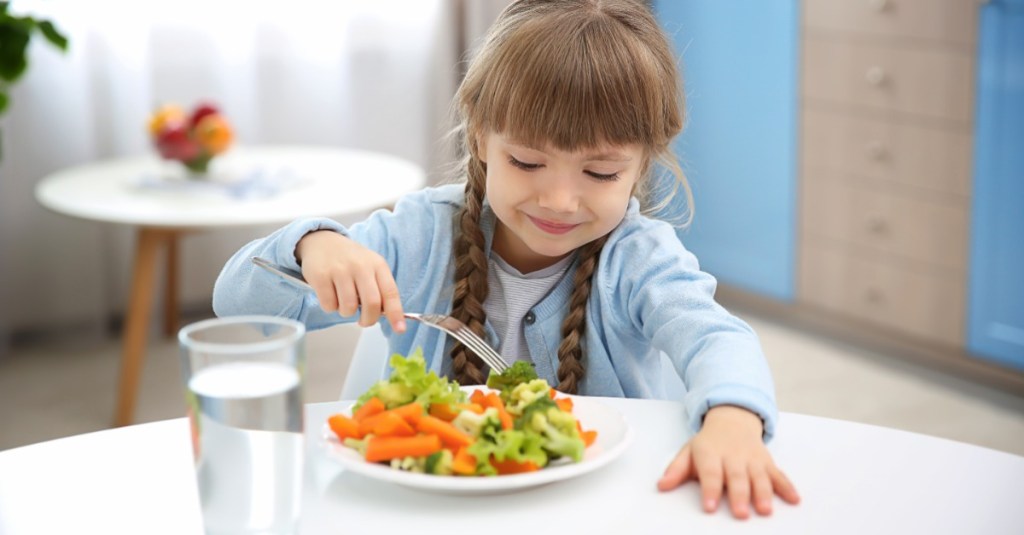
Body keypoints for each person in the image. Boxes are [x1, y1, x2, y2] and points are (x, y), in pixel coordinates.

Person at [213, 0, 799, 519]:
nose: (559, 200)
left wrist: (732, 420)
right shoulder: (422, 234)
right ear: (480, 141)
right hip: (427, 508)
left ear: (641, 166)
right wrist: (312, 245)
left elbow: (715, 338)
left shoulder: (640, 259)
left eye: (600, 173)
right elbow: (239, 305)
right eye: (526, 162)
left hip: (598, 509)